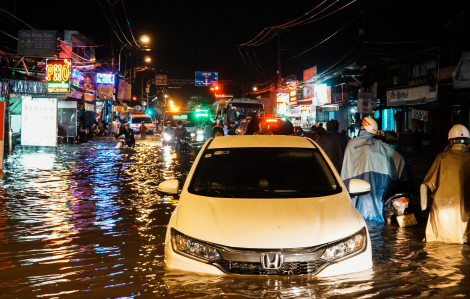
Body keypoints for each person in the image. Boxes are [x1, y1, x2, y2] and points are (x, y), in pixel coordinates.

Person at [341, 117, 411, 222]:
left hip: (356, 190)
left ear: (362, 128)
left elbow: (346, 171)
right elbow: (400, 160)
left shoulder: (352, 144)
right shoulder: (382, 146)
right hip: (380, 188)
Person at [420, 124, 470, 244]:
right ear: (468, 142)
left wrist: (424, 207)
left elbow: (425, 185)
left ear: (451, 142)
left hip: (443, 213)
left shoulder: (441, 157)